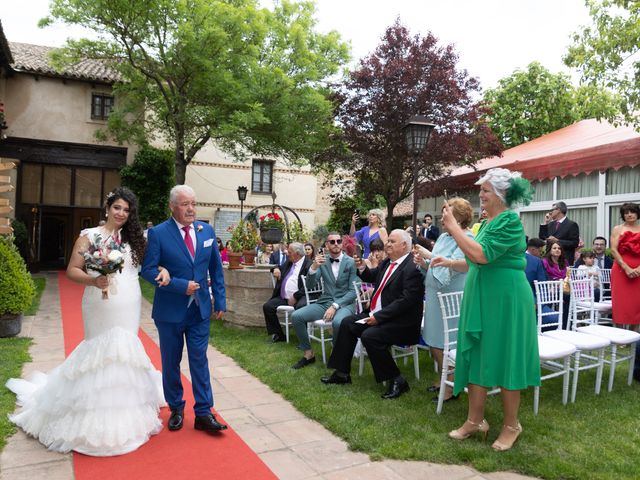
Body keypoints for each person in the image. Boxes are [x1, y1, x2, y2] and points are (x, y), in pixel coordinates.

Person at [6, 187, 167, 456]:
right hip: (98, 301)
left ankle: (123, 412)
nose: (121, 213)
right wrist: (94, 280)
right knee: (99, 351)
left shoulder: (134, 240)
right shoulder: (88, 236)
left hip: (128, 299)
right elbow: (71, 270)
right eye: (117, 207)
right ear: (107, 208)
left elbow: (149, 267)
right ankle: (90, 412)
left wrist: (162, 269)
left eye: (127, 210)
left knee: (125, 352)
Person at [442, 168, 539, 452]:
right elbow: (472, 260)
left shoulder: (510, 222)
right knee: (478, 356)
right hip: (481, 297)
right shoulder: (487, 223)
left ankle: (512, 425)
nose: (480, 195)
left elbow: (481, 255)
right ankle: (475, 420)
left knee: (508, 357)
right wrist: (447, 263)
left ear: (500, 193)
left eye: (485, 191)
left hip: (506, 300)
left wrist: (454, 227)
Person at [141, 185, 228, 434]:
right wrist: (180, 286)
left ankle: (203, 412)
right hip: (170, 311)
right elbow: (148, 270)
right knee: (171, 361)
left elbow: (215, 269)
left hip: (200, 310)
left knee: (200, 359)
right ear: (172, 206)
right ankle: (177, 408)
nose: (190, 209)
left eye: (193, 203)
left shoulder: (206, 230)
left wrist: (219, 300)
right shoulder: (157, 233)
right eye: (184, 204)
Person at [320, 230, 424, 399]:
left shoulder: (412, 267)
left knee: (370, 336)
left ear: (404, 245)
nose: (387, 244)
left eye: (392, 241)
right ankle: (341, 374)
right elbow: (371, 276)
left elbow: (406, 301)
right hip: (378, 315)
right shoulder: (387, 263)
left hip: (401, 322)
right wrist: (361, 265)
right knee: (347, 323)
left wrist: (380, 317)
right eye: (387, 240)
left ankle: (397, 379)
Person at [413, 198, 473, 403]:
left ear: (459, 217)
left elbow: (466, 265)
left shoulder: (467, 236)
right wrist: (424, 262)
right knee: (431, 337)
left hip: (450, 297)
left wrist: (434, 258)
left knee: (445, 341)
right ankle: (444, 378)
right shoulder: (443, 237)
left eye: (447, 211)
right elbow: (436, 263)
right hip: (434, 294)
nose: (442, 215)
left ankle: (451, 384)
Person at [290, 232, 357, 369]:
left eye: (338, 241)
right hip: (324, 302)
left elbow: (353, 291)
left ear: (342, 244)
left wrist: (335, 305)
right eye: (332, 242)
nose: (336, 244)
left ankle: (335, 351)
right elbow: (309, 286)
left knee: (338, 322)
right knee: (296, 316)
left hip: (344, 304)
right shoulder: (322, 261)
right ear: (327, 245)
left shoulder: (351, 262)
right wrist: (314, 267)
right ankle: (308, 353)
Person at [263, 243, 311, 342]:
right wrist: (275, 269)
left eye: (289, 252)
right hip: (284, 297)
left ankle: (303, 339)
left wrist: (295, 296)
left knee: (301, 309)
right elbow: (278, 266)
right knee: (267, 307)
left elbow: (309, 285)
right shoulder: (290, 262)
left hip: (301, 297)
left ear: (297, 254)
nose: (287, 254)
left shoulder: (308, 264)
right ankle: (279, 335)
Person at [610, 202, 640, 330]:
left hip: (639, 270)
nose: (629, 215)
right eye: (626, 213)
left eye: (632, 212)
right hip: (621, 270)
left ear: (637, 213)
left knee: (637, 303)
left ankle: (634, 335)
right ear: (623, 215)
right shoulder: (618, 229)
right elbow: (613, 250)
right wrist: (626, 267)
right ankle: (620, 333)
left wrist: (639, 269)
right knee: (620, 302)